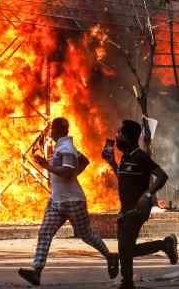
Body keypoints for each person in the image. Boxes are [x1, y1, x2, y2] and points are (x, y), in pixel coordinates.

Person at [18, 117, 119, 286]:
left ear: (57, 130)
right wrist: (73, 175)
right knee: (45, 233)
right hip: (56, 201)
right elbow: (84, 161)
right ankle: (36, 271)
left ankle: (110, 256)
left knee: (86, 235)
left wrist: (46, 166)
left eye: (52, 130)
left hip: (73, 201)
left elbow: (66, 172)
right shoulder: (64, 147)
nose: (50, 133)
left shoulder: (66, 149)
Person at [102, 120, 178, 289]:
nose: (116, 135)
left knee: (125, 249)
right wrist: (112, 163)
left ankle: (127, 282)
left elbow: (162, 176)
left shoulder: (141, 157)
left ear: (128, 137)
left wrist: (148, 194)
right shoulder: (125, 157)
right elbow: (124, 179)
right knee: (125, 249)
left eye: (119, 133)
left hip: (138, 209)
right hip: (125, 208)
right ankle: (164, 245)